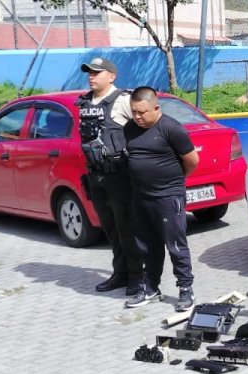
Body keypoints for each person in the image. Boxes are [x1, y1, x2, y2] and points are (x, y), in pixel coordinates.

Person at [123, 87, 199, 311]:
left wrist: (174, 182)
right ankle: (151, 287)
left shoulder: (171, 129)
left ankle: (185, 289)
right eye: (134, 112)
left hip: (168, 197)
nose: (137, 117)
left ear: (156, 108)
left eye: (142, 112)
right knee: (147, 246)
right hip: (141, 197)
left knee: (175, 245)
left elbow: (192, 160)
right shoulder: (130, 129)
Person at [76, 57, 142, 295]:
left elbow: (145, 128)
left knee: (127, 229)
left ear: (111, 76)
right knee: (111, 229)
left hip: (119, 177)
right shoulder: (85, 103)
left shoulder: (123, 100)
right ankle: (120, 273)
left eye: (97, 73)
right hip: (96, 176)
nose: (91, 76)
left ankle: (137, 276)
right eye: (89, 73)